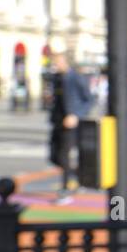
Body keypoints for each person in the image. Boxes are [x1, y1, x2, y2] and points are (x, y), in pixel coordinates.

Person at [48, 53, 93, 204]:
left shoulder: (76, 78)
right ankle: (78, 175)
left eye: (58, 61)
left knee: (64, 156)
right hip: (57, 121)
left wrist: (75, 115)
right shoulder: (56, 78)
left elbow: (88, 100)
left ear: (66, 62)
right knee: (54, 156)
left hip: (71, 123)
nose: (55, 64)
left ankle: (65, 191)